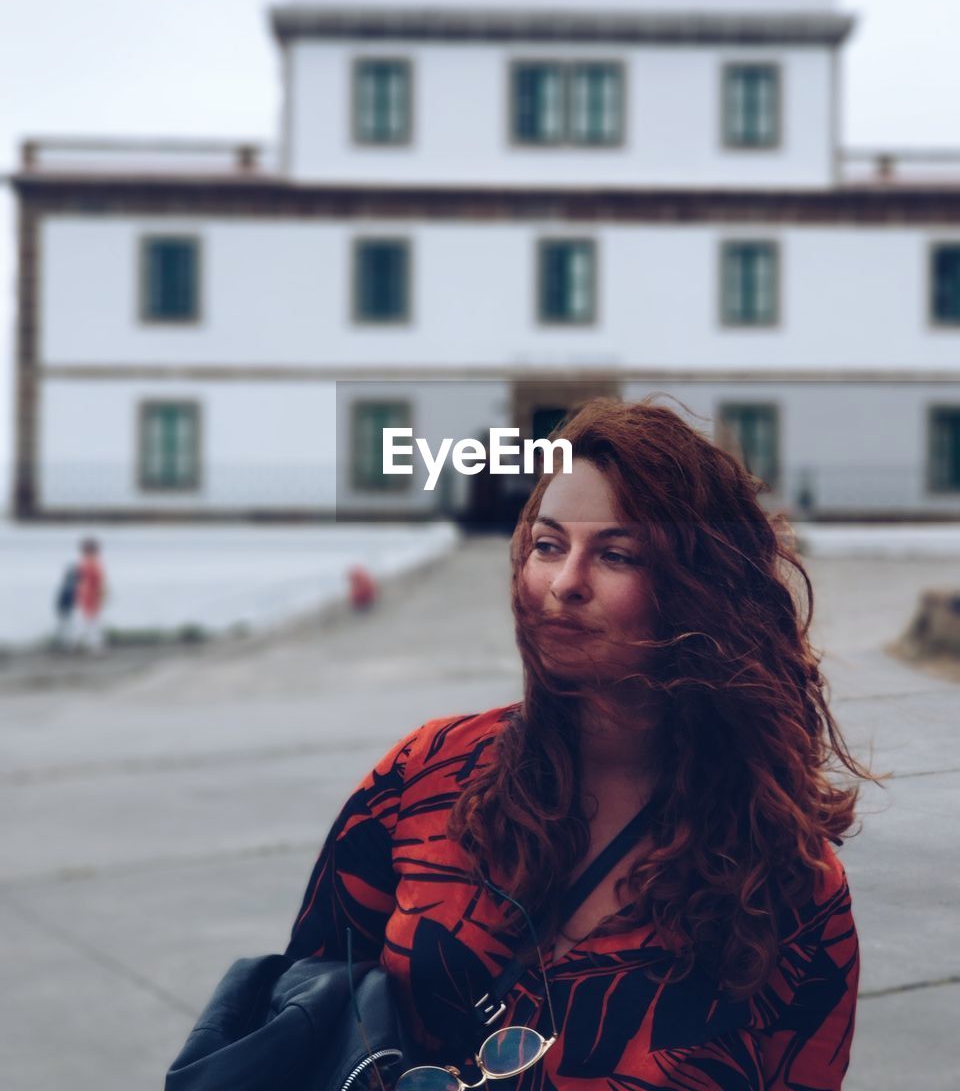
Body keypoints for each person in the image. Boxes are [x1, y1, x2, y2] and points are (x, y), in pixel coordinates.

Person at [287, 399, 867, 1090]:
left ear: (702, 591)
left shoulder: (793, 885)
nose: (564, 584)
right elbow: (304, 1007)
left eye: (617, 554)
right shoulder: (424, 772)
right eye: (548, 545)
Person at [74, 537, 107, 654]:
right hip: (88, 595)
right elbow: (96, 582)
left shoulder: (88, 564)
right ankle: (91, 646)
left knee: (91, 622)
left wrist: (99, 595)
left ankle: (90, 645)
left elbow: (96, 582)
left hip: (89, 595)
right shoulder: (90, 564)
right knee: (91, 622)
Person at [53, 561, 79, 648]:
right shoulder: (71, 584)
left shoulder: (68, 584)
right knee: (67, 627)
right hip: (66, 608)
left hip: (65, 608)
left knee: (65, 627)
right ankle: (66, 645)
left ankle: (65, 645)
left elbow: (62, 599)